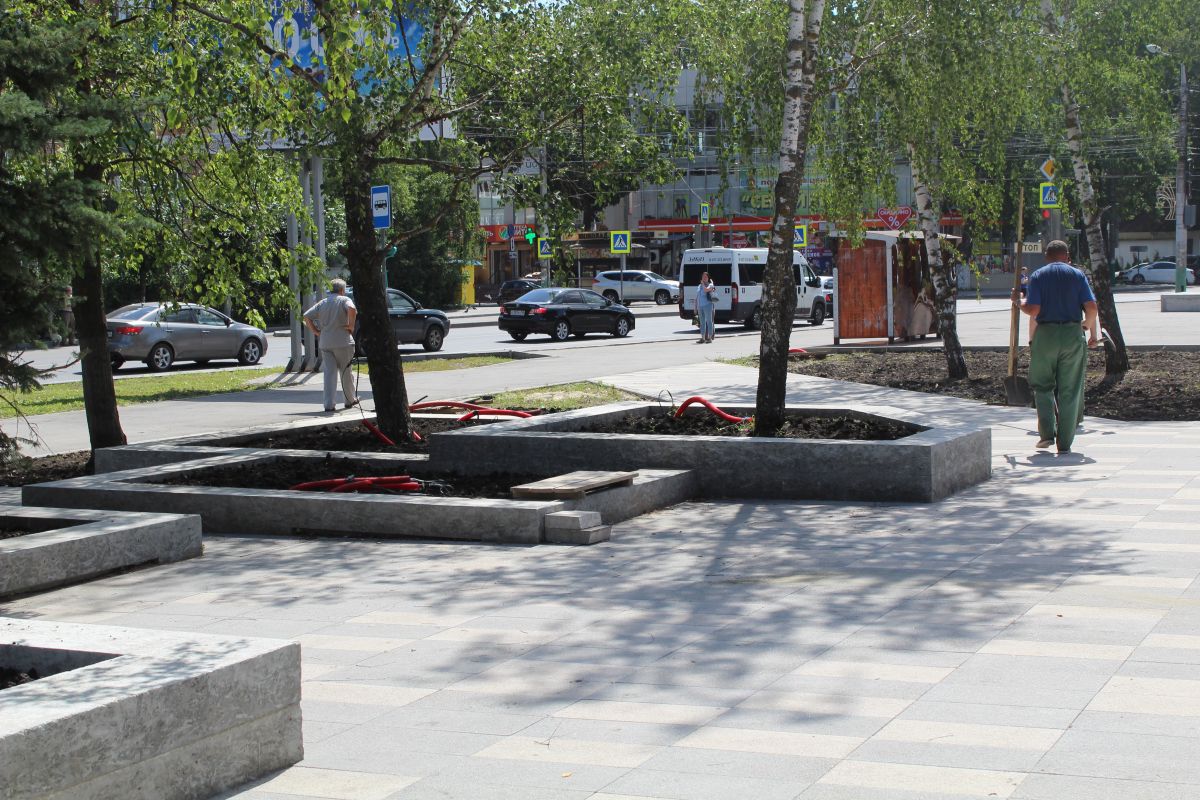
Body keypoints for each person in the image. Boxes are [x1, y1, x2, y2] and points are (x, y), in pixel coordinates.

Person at [1013, 241, 1098, 454]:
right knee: (1070, 389)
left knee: (1043, 385)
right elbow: (1092, 307)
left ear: (1046, 256)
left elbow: (1034, 309)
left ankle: (1046, 434)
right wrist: (1086, 326)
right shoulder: (1078, 275)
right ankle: (1065, 443)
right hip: (1072, 334)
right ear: (1067, 255)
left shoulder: (1038, 275)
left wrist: (1018, 302)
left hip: (1046, 335)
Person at [303, 279, 360, 412]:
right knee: (346, 372)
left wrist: (316, 332)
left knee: (329, 374)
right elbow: (352, 309)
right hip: (343, 342)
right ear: (342, 290)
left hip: (325, 342)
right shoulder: (344, 300)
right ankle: (349, 400)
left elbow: (306, 316)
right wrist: (351, 326)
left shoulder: (323, 302)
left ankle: (329, 404)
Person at [694, 271, 717, 343]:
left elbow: (706, 290)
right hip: (700, 306)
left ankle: (709, 338)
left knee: (709, 321)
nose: (704, 278)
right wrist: (695, 307)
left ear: (708, 278)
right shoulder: (699, 286)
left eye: (705, 277)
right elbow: (697, 297)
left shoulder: (710, 285)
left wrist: (703, 284)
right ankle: (703, 338)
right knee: (702, 322)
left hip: (708, 305)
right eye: (703, 277)